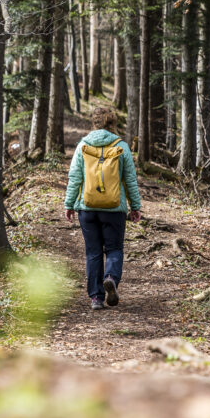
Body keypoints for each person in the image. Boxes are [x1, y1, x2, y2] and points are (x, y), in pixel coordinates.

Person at [64, 107, 142, 310]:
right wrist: (135, 206)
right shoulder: (122, 146)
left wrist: (69, 204)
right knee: (114, 248)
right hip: (114, 208)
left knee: (93, 252)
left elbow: (75, 178)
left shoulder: (83, 145)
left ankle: (96, 298)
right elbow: (130, 180)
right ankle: (111, 278)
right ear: (112, 123)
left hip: (87, 208)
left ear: (94, 123)